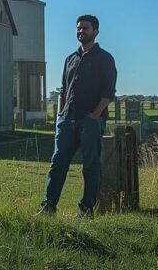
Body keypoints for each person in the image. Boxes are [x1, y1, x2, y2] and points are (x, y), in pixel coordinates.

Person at [37, 14, 117, 219]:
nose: (81, 31)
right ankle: (48, 208)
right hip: (67, 121)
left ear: (96, 31)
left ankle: (86, 211)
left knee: (90, 166)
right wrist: (61, 115)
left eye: (86, 28)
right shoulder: (70, 59)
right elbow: (64, 89)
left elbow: (108, 92)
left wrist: (95, 114)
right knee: (58, 163)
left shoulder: (104, 58)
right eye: (79, 28)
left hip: (89, 122)